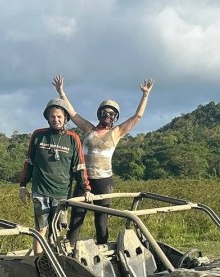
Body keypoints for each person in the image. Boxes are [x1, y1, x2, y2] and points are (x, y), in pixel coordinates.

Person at [53, 75, 154, 246]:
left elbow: (137, 116)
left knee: (101, 220)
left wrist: (145, 95)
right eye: (105, 112)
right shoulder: (89, 129)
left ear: (115, 117)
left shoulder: (116, 132)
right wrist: (61, 92)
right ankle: (69, 250)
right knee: (77, 216)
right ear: (99, 114)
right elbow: (73, 113)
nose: (107, 115)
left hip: (104, 181)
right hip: (84, 179)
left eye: (111, 114)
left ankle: (102, 250)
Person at [19, 98, 93, 254]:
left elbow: (79, 167)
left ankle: (55, 262)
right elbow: (29, 161)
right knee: (41, 229)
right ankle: (38, 262)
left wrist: (86, 189)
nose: (56, 120)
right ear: (47, 117)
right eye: (52, 116)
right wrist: (23, 185)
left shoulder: (73, 139)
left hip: (61, 193)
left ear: (65, 118)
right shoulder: (38, 135)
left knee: (57, 231)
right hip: (40, 191)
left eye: (59, 116)